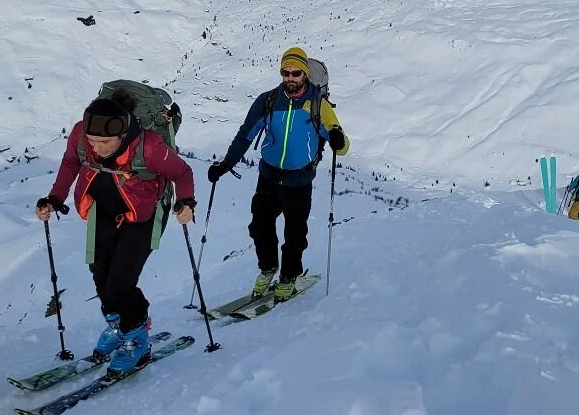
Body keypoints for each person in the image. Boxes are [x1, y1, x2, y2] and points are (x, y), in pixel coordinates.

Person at [36, 96, 196, 374]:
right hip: (103, 212)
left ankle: (136, 336)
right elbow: (70, 163)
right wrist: (54, 198)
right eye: (92, 141)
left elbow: (182, 173)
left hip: (142, 216)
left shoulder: (150, 147)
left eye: (103, 143)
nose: (95, 148)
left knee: (120, 283)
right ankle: (118, 326)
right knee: (99, 273)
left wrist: (187, 203)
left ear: (122, 134)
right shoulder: (80, 135)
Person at [206, 47, 350, 302]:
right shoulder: (268, 101)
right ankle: (268, 268)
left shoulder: (319, 105)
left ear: (305, 74)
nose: (290, 77)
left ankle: (289, 276)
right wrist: (226, 164)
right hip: (269, 176)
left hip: (300, 180)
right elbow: (245, 135)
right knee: (259, 227)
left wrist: (338, 139)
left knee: (295, 233)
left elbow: (342, 145)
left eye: (296, 73)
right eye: (286, 72)